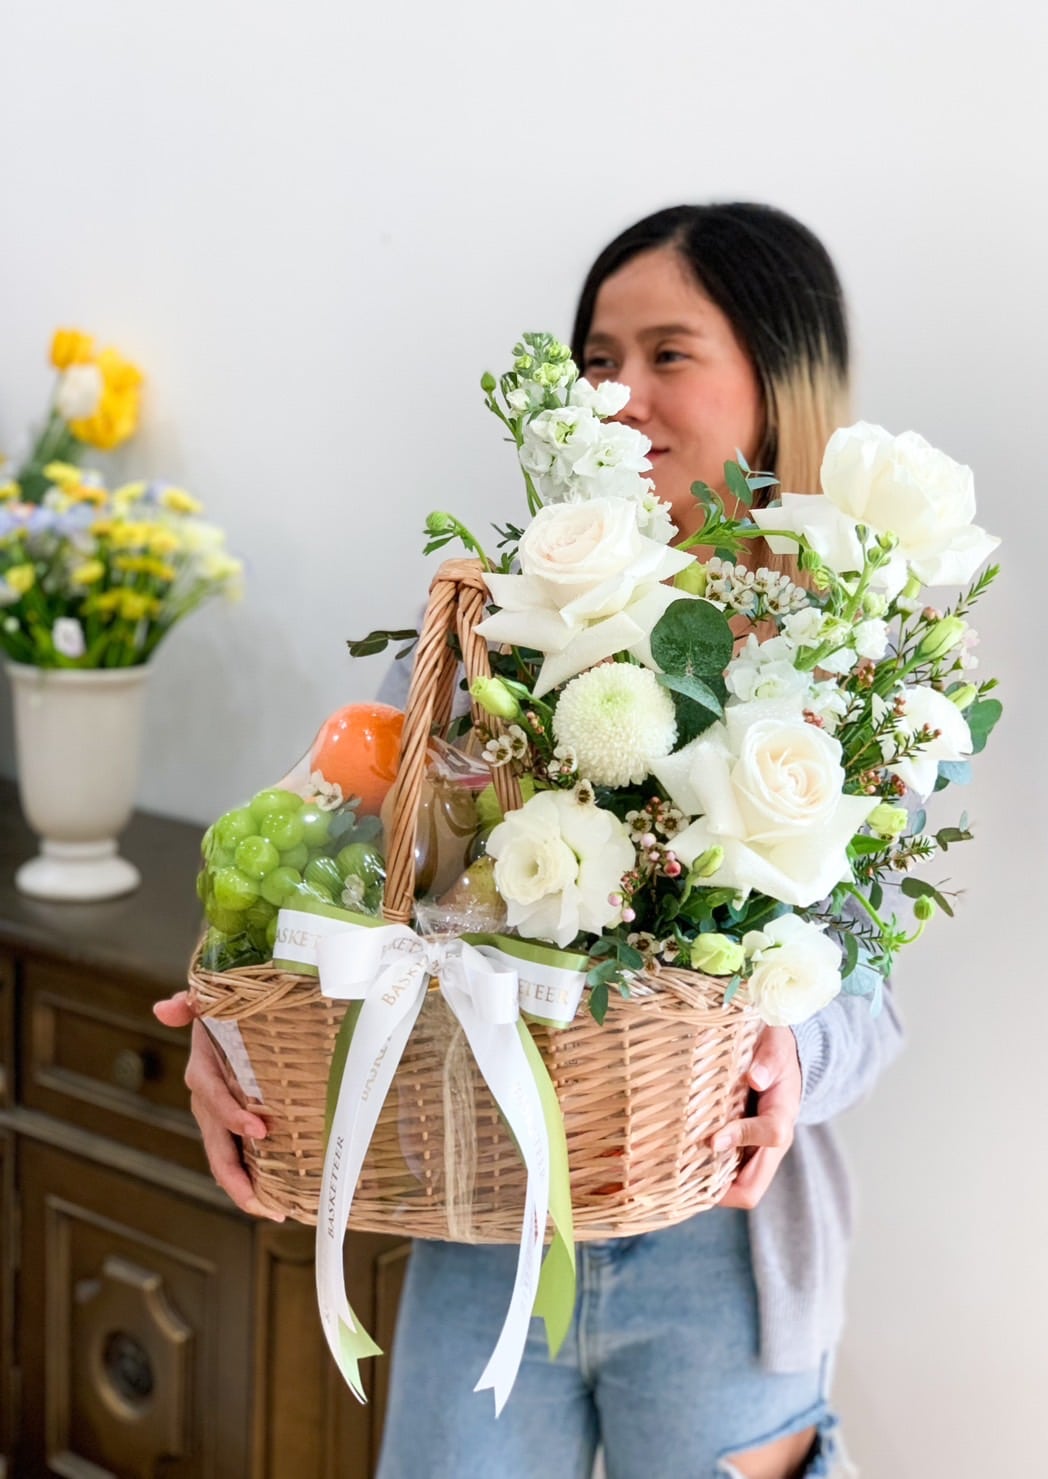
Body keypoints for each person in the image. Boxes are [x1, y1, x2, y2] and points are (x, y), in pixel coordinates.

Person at [156, 202, 903, 1479]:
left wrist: (786, 1052)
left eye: (667, 354)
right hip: (479, 1222)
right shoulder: (481, 631)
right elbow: (338, 871)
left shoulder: (847, 662)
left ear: (777, 385)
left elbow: (869, 999)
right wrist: (225, 1037)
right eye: (597, 362)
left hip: (724, 1250)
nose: (619, 397)